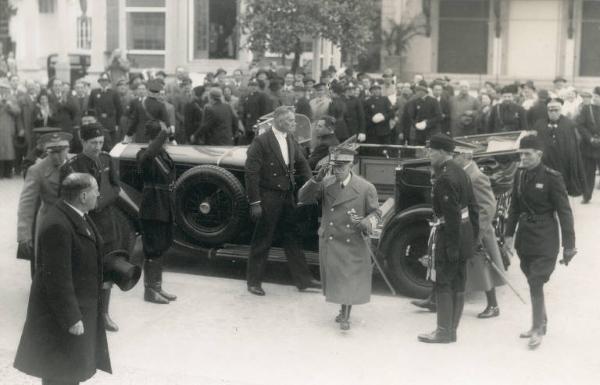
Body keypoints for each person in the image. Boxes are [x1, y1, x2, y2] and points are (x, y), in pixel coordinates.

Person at [14, 173, 112, 385]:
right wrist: (72, 317)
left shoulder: (76, 215)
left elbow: (86, 252)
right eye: (96, 191)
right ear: (83, 196)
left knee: (70, 372)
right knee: (59, 374)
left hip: (77, 308)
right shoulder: (58, 224)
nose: (99, 195)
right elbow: (57, 278)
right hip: (61, 317)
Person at [504, 134, 577, 349]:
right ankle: (541, 322)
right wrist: (508, 235)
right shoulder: (519, 175)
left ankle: (537, 328)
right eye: (521, 154)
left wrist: (569, 245)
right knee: (530, 277)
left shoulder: (552, 177)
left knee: (536, 280)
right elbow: (514, 207)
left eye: (527, 154)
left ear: (539, 155)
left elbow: (565, 212)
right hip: (525, 237)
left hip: (546, 237)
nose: (523, 158)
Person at [298, 148, 380, 330]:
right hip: (331, 240)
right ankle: (343, 311)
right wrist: (316, 179)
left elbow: (376, 213)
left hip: (352, 240)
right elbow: (303, 198)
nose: (337, 170)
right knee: (337, 280)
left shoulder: (366, 188)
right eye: (335, 166)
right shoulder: (326, 183)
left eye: (342, 166)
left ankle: (345, 315)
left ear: (352, 165)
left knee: (348, 279)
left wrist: (366, 223)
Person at [244, 106, 320, 296]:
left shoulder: (290, 138)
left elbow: (302, 163)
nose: (294, 124)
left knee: (292, 236)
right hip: (268, 196)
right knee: (263, 239)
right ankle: (253, 282)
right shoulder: (261, 142)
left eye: (293, 120)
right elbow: (251, 174)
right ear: (278, 121)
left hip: (287, 196)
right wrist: (255, 203)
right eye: (290, 121)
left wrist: (312, 183)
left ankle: (304, 280)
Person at [59, 123, 121, 332]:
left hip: (106, 224)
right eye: (93, 143)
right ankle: (83, 315)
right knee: (84, 270)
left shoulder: (107, 159)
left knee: (107, 270)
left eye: (100, 142)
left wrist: (99, 202)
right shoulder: (73, 166)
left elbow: (116, 187)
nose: (97, 146)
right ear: (83, 142)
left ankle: (104, 314)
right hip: (83, 224)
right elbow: (66, 196)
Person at [417, 134, 478, 344]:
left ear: (443, 152)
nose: (428, 154)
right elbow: (474, 209)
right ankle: (451, 331)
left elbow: (450, 217)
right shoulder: (462, 172)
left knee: (443, 282)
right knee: (459, 283)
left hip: (449, 236)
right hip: (465, 234)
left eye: (431, 150)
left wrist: (451, 248)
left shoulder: (445, 178)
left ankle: (443, 332)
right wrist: (473, 238)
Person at [454, 147, 505, 318]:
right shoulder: (465, 173)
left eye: (455, 155)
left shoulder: (476, 176)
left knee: (484, 269)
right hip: (469, 227)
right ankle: (434, 299)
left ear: (464, 156)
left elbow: (488, 207)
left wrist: (476, 234)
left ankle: (493, 305)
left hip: (478, 230)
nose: (453, 158)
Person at [17, 132, 71, 277]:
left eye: (61, 151)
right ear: (46, 151)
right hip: (48, 221)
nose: (57, 156)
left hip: (72, 222)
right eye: (52, 152)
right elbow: (26, 204)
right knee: (46, 266)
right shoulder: (37, 170)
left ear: (68, 149)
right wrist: (24, 235)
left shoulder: (76, 164)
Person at [136, 120, 177, 304]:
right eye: (163, 136)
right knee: (152, 249)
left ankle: (157, 287)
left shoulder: (163, 154)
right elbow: (147, 158)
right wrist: (162, 135)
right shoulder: (144, 154)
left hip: (164, 205)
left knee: (161, 247)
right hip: (152, 207)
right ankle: (149, 290)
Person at [533, 98, 586, 197]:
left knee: (561, 192)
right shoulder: (539, 124)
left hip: (563, 164)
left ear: (561, 110)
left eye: (556, 110)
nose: (553, 113)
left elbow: (573, 148)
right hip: (546, 164)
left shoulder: (568, 124)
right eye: (550, 110)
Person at [576, 87, 600, 204]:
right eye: (594, 97)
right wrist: (589, 138)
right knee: (588, 173)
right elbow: (580, 125)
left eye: (597, 97)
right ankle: (586, 195)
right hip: (588, 146)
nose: (595, 99)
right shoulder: (586, 109)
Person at [88, 72, 122, 151]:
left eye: (105, 81)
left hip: (110, 123)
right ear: (99, 82)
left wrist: (117, 124)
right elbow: (90, 107)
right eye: (102, 81)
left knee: (110, 146)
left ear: (108, 82)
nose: (104, 82)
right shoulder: (94, 92)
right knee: (97, 144)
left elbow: (119, 110)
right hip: (98, 122)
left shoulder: (113, 93)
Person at [0, 78, 21, 177]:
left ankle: (8, 172)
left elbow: (17, 112)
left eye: (4, 88)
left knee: (9, 151)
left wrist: (10, 106)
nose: (3, 90)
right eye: (1, 88)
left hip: (8, 128)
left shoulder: (12, 98)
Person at [239, 79, 268, 145]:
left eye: (255, 85)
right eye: (251, 85)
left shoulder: (262, 96)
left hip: (257, 123)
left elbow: (264, 111)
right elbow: (243, 110)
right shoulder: (245, 96)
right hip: (247, 124)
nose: (253, 87)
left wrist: (261, 123)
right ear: (248, 86)